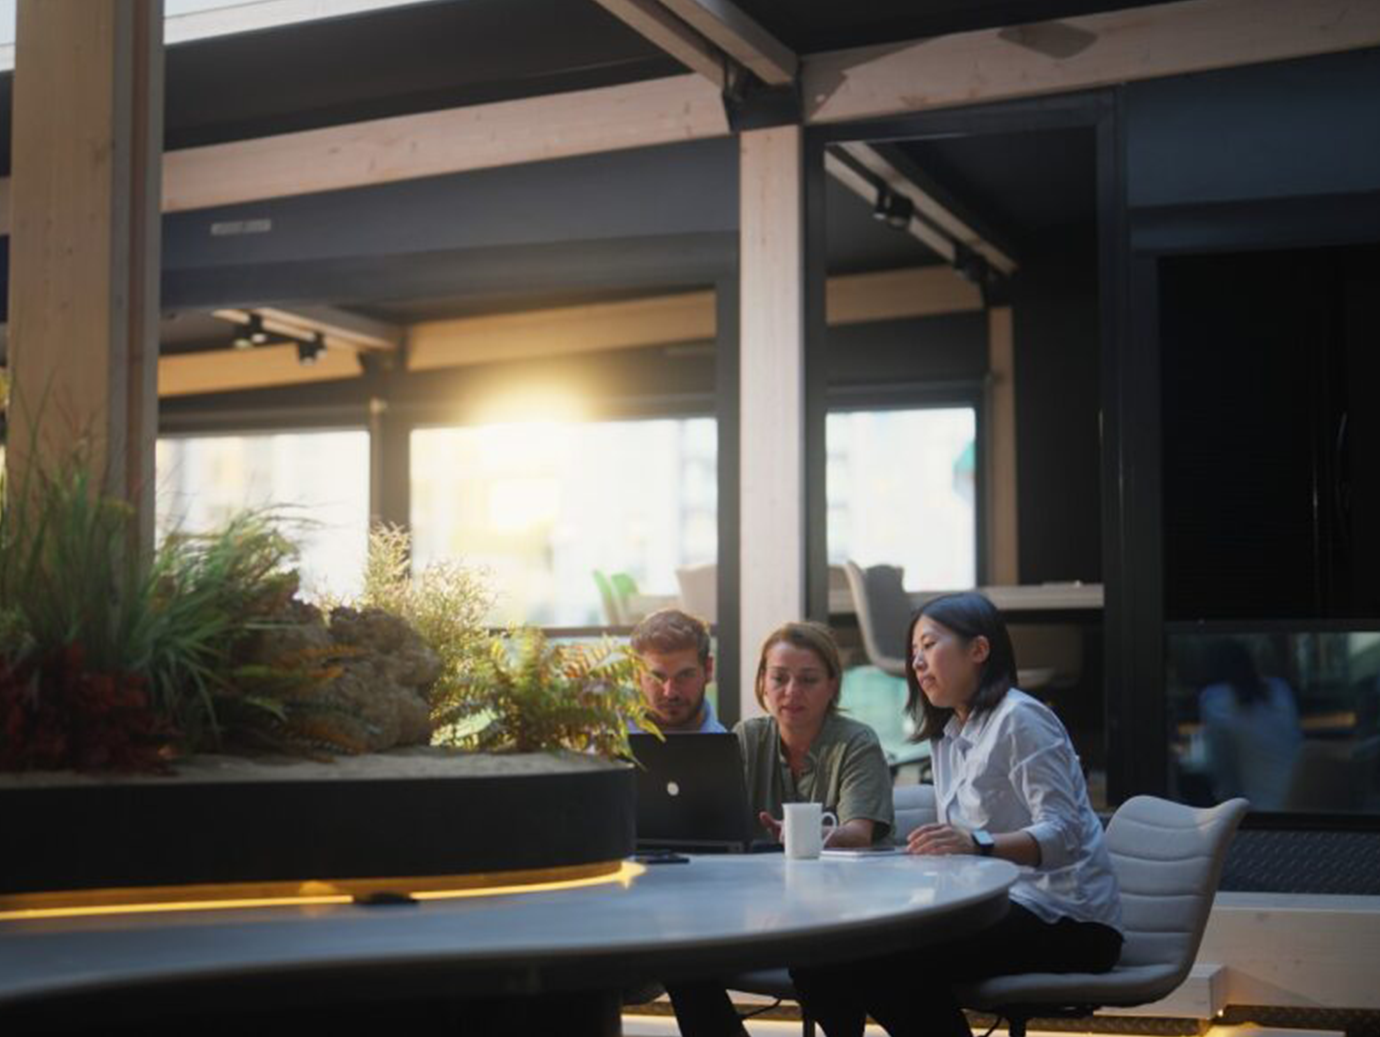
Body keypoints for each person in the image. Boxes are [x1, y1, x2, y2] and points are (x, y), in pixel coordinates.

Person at [790, 592, 1123, 1037]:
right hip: (991, 906)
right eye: (913, 654)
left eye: (928, 646)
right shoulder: (948, 733)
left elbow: (1065, 835)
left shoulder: (1021, 719)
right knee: (820, 950)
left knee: (887, 959)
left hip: (1067, 919)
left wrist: (977, 844)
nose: (917, 663)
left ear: (979, 650)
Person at [669, 621, 894, 1037]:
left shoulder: (856, 741)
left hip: (839, 911)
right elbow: (720, 833)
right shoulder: (747, 737)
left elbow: (859, 833)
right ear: (762, 682)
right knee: (678, 955)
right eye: (779, 678)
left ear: (831, 686)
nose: (792, 692)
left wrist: (808, 839)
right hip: (760, 909)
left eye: (808, 680)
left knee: (820, 959)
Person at [1198, 638, 1301, 810]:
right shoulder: (1280, 690)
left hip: (1261, 814)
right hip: (1301, 805)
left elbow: (1222, 773)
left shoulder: (1215, 701)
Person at [628, 608, 726, 734]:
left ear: (708, 669)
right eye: (656, 677)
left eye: (685, 675)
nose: (670, 693)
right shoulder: (602, 748)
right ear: (636, 675)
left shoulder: (738, 751)